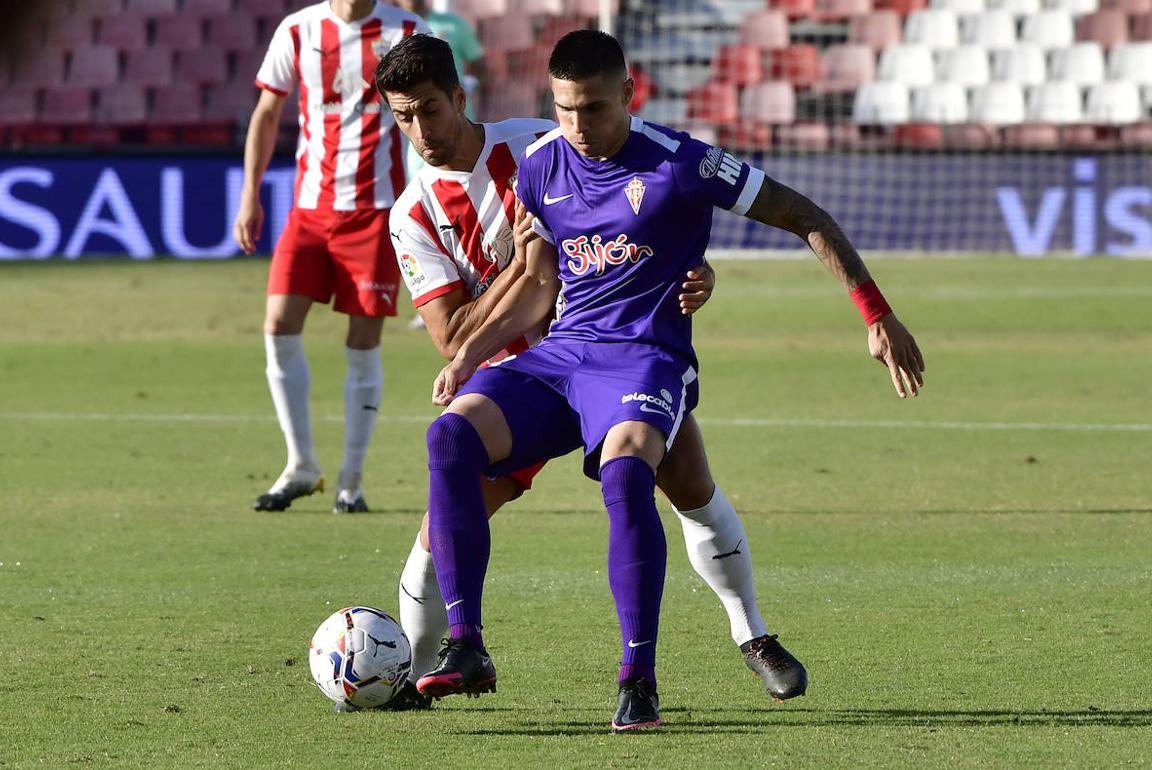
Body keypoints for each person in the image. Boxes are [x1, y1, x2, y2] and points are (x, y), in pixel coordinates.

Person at [420, 30, 925, 731]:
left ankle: (639, 679)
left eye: (594, 109)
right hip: (565, 355)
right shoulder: (540, 166)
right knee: (449, 438)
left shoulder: (683, 162)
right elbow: (537, 280)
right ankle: (466, 644)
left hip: (646, 360)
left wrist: (876, 315)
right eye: (564, 110)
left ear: (630, 95)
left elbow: (802, 214)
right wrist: (469, 352)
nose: (577, 127)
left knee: (635, 476)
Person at [372, 34, 807, 712]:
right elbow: (453, 335)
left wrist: (693, 269)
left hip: (623, 354)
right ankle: (417, 675)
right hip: (522, 380)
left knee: (690, 490)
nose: (420, 130)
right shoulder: (411, 217)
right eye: (403, 117)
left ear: (459, 99)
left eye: (430, 109)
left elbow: (639, 203)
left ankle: (751, 635)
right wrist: (520, 275)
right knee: (440, 526)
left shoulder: (545, 140)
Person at [234, 0, 429, 513]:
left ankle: (351, 479)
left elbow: (441, 112)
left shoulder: (407, 29)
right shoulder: (298, 29)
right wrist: (249, 193)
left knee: (363, 340)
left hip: (376, 211)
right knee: (278, 325)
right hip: (309, 209)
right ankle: (300, 465)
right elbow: (267, 111)